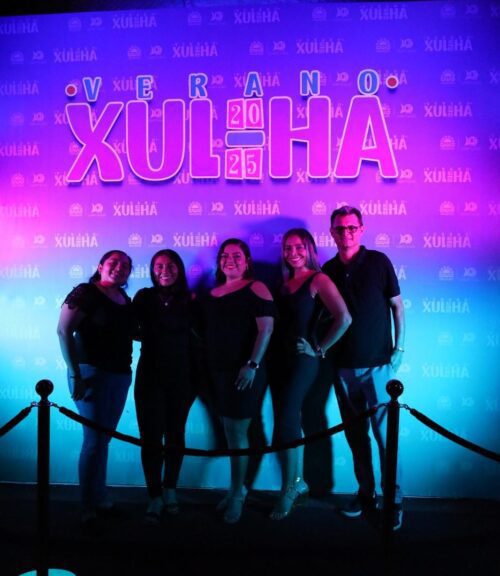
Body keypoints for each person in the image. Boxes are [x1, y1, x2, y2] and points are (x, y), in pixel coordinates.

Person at [322, 206, 406, 530]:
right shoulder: (328, 269)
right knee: (356, 438)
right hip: (342, 368)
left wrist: (399, 347)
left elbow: (397, 307)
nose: (346, 233)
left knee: (386, 438)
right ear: (332, 232)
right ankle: (366, 492)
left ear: (362, 229)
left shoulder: (379, 262)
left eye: (351, 227)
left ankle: (394, 500)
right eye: (340, 228)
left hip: (378, 366)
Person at [270, 228, 351, 520]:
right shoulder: (283, 283)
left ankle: (290, 487)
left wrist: (319, 349)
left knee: (288, 420)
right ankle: (298, 481)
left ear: (310, 250)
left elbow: (344, 318)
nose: (293, 253)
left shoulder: (318, 279)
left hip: (304, 361)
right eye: (287, 248)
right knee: (287, 422)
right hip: (279, 361)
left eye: (299, 247)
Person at [57, 250, 136, 527]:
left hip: (120, 375)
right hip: (89, 374)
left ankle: (100, 498)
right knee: (93, 441)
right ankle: (87, 507)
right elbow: (63, 331)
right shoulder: (85, 292)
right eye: (113, 262)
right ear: (100, 266)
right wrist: (75, 372)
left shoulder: (124, 298)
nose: (119, 267)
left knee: (103, 441)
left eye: (125, 265)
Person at [204, 238, 276, 523]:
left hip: (246, 371)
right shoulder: (212, 293)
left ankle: (236, 494)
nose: (229, 260)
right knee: (231, 431)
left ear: (247, 261)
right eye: (225, 255)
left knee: (239, 431)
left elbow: (266, 330)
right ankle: (237, 489)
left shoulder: (256, 287)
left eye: (236, 255)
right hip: (218, 372)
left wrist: (252, 364)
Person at [133, 249, 195, 523]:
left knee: (175, 436)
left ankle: (170, 491)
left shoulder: (191, 299)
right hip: (150, 376)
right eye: (158, 266)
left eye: (170, 265)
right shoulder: (143, 297)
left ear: (179, 268)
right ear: (152, 270)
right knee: (150, 438)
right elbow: (128, 328)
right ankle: (154, 496)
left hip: (182, 376)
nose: (164, 270)